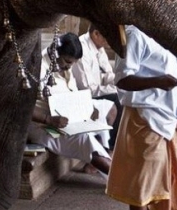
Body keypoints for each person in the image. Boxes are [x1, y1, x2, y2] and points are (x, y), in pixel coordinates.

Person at [106, 25, 177, 210]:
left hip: (171, 118)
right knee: (141, 184)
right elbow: (122, 79)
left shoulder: (173, 34)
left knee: (162, 179)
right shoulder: (136, 35)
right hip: (145, 117)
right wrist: (157, 82)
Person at [28, 33, 115, 176]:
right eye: (67, 62)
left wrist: (88, 108)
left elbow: (73, 93)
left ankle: (100, 156)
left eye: (73, 63)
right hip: (44, 125)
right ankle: (119, 180)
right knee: (85, 139)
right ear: (56, 53)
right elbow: (21, 108)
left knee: (107, 108)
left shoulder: (64, 67)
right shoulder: (38, 69)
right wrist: (48, 119)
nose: (69, 67)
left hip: (70, 118)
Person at [73, 24, 123, 149]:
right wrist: (115, 89)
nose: (112, 41)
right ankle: (111, 147)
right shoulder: (82, 49)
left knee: (124, 94)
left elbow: (107, 74)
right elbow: (88, 89)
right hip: (83, 95)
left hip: (97, 91)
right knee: (118, 99)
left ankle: (119, 145)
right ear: (96, 34)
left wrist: (120, 83)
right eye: (109, 37)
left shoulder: (99, 47)